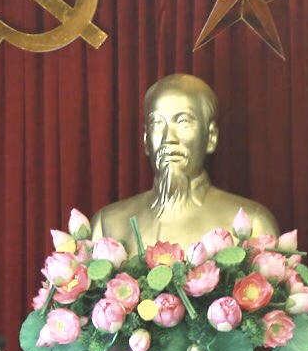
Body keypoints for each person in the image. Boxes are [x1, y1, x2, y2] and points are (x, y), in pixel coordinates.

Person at [92, 73, 279, 255]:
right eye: (157, 122)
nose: (168, 138)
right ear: (146, 140)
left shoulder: (253, 224)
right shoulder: (108, 225)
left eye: (183, 121)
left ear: (211, 137)